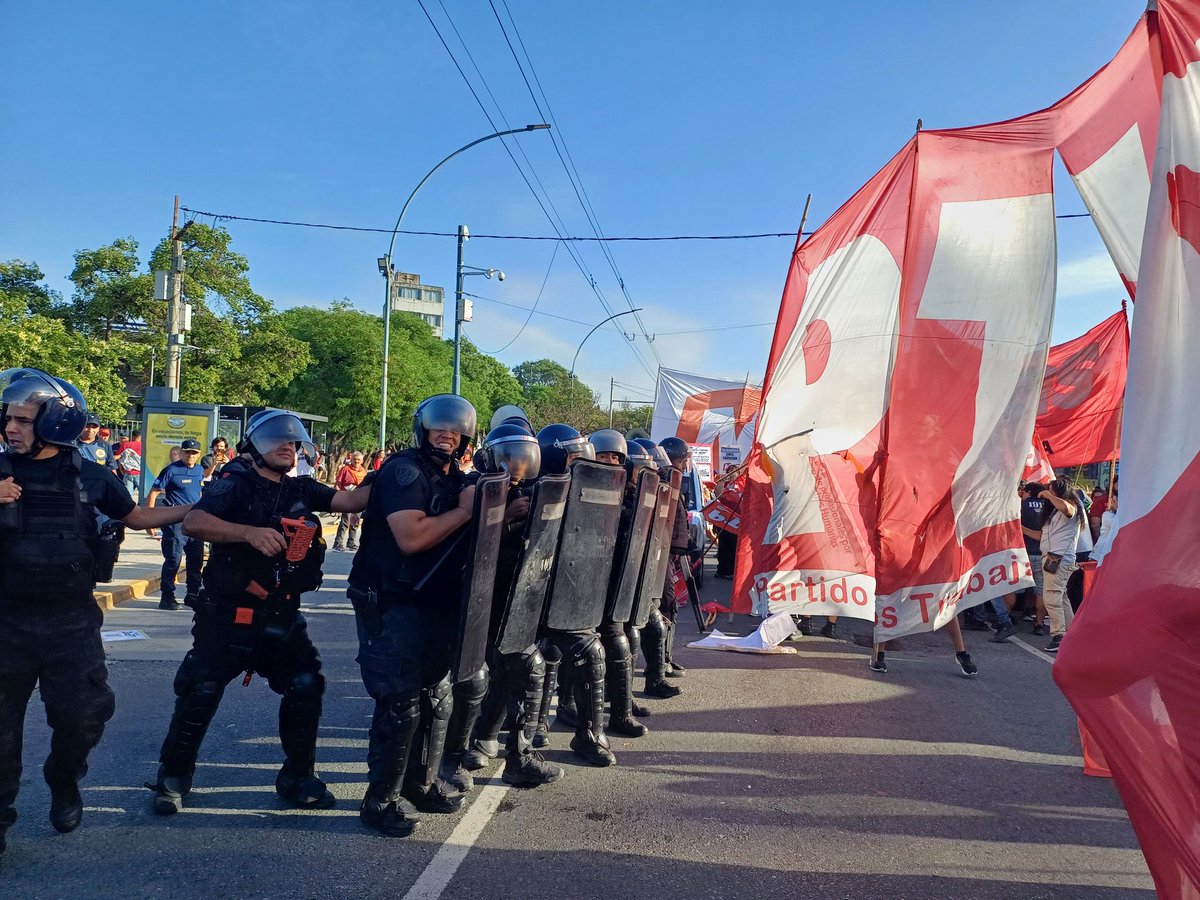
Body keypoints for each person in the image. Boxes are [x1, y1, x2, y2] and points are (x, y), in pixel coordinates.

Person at [0, 369, 193, 857]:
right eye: (8, 418)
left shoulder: (91, 476)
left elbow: (137, 516)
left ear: (55, 422)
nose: (10, 428)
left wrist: (195, 512)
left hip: (71, 623)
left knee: (82, 716)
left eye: (22, 419)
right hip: (5, 623)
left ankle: (64, 780)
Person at [148, 409, 370, 816]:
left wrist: (394, 476)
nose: (287, 447)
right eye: (277, 441)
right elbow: (195, 521)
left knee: (305, 683)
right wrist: (247, 533)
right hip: (227, 615)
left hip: (280, 614)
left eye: (292, 442)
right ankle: (173, 776)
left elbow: (353, 499)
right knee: (202, 689)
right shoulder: (233, 483)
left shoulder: (301, 488)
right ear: (253, 446)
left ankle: (298, 776)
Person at [348, 394, 477, 838]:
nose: (447, 433)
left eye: (456, 428)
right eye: (439, 426)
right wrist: (465, 510)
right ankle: (378, 801)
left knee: (435, 698)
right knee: (400, 704)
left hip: (431, 603)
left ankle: (421, 785)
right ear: (422, 429)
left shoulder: (453, 474)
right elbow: (412, 538)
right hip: (390, 601)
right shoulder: (404, 470)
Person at [449, 424, 563, 790]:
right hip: (471, 601)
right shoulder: (471, 488)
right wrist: (508, 516)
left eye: (523, 456)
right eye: (510, 455)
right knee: (471, 679)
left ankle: (520, 757)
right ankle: (457, 753)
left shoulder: (535, 492)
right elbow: (465, 543)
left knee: (527, 667)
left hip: (514, 602)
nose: (517, 464)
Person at [590, 429, 650, 739]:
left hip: (614, 580)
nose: (610, 461)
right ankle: (582, 710)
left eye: (615, 457)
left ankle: (621, 707)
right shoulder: (580, 485)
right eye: (603, 456)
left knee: (620, 638)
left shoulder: (629, 495)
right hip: (583, 582)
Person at [147, 439, 206, 611]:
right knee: (174, 559)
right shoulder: (171, 470)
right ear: (181, 452)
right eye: (187, 452)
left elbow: (199, 491)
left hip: (195, 522)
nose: (191, 456)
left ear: (199, 454)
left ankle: (193, 594)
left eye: (194, 453)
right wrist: (150, 519)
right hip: (175, 522)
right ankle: (167, 596)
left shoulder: (200, 470)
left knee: (196, 560)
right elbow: (154, 493)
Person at [1039, 476, 1082, 653]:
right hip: (1053, 558)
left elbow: (1067, 509)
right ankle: (1071, 635)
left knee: (1052, 597)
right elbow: (1040, 535)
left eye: (1051, 490)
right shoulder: (1055, 512)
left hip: (1059, 558)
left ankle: (1058, 635)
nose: (1048, 493)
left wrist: (1048, 496)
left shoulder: (1071, 506)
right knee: (1060, 597)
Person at [332, 451, 367, 552]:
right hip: (346, 499)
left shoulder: (363, 471)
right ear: (351, 460)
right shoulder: (345, 469)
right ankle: (337, 544)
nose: (356, 462)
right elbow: (338, 483)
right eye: (355, 460)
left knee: (355, 522)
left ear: (362, 461)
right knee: (345, 522)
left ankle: (351, 543)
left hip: (358, 500)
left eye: (359, 460)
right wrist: (337, 496)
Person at [114, 430, 143, 500]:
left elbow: (120, 457)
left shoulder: (126, 445)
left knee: (127, 496)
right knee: (144, 496)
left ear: (132, 436)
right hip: (141, 474)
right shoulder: (144, 445)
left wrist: (121, 469)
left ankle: (130, 510)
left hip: (128, 473)